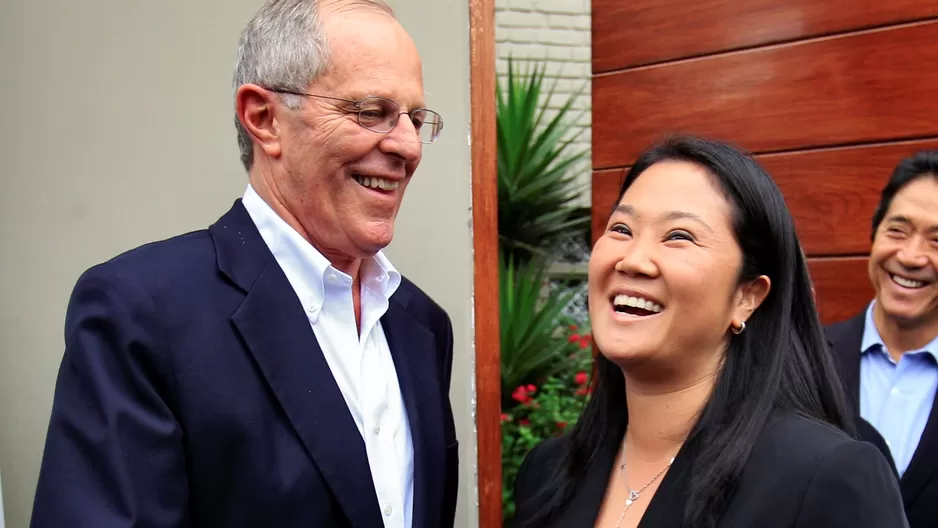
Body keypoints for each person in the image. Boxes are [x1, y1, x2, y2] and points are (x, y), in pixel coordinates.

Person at [30, 1, 458, 527]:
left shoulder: (422, 326)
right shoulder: (141, 316)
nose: (409, 146)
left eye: (416, 119)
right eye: (372, 112)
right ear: (264, 118)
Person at [513, 135, 908, 528]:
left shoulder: (824, 478)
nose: (632, 260)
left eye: (678, 236)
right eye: (621, 229)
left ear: (747, 296)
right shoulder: (547, 473)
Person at [826, 150, 938, 528]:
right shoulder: (803, 361)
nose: (910, 256)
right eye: (897, 230)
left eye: (937, 241)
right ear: (873, 237)